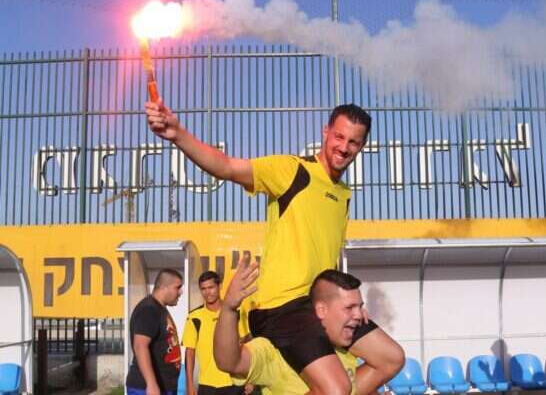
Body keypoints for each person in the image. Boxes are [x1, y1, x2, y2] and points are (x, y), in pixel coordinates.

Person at [146, 100, 404, 394]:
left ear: (362, 146)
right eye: (339, 137)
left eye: (354, 142)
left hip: (319, 305)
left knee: (391, 359)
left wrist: (350, 306)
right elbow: (227, 166)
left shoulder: (343, 194)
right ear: (326, 132)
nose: (344, 147)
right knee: (337, 389)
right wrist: (178, 134)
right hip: (281, 307)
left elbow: (329, 260)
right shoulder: (293, 171)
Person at [214, 255, 395, 395]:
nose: (359, 315)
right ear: (322, 310)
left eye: (360, 307)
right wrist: (229, 309)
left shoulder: (345, 352)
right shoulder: (277, 347)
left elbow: (372, 376)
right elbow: (230, 362)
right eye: (349, 308)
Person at [182, 271, 255, 395]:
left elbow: (248, 346)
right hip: (207, 385)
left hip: (235, 382)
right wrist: (189, 384)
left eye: (211, 287)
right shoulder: (194, 317)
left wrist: (250, 379)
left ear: (219, 286)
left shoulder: (236, 313)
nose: (207, 292)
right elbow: (190, 352)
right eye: (203, 289)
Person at [126, 268, 183, 395]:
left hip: (164, 387)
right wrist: (151, 384)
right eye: (177, 287)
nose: (180, 292)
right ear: (164, 287)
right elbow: (140, 346)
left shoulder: (159, 309)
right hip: (146, 388)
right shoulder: (149, 309)